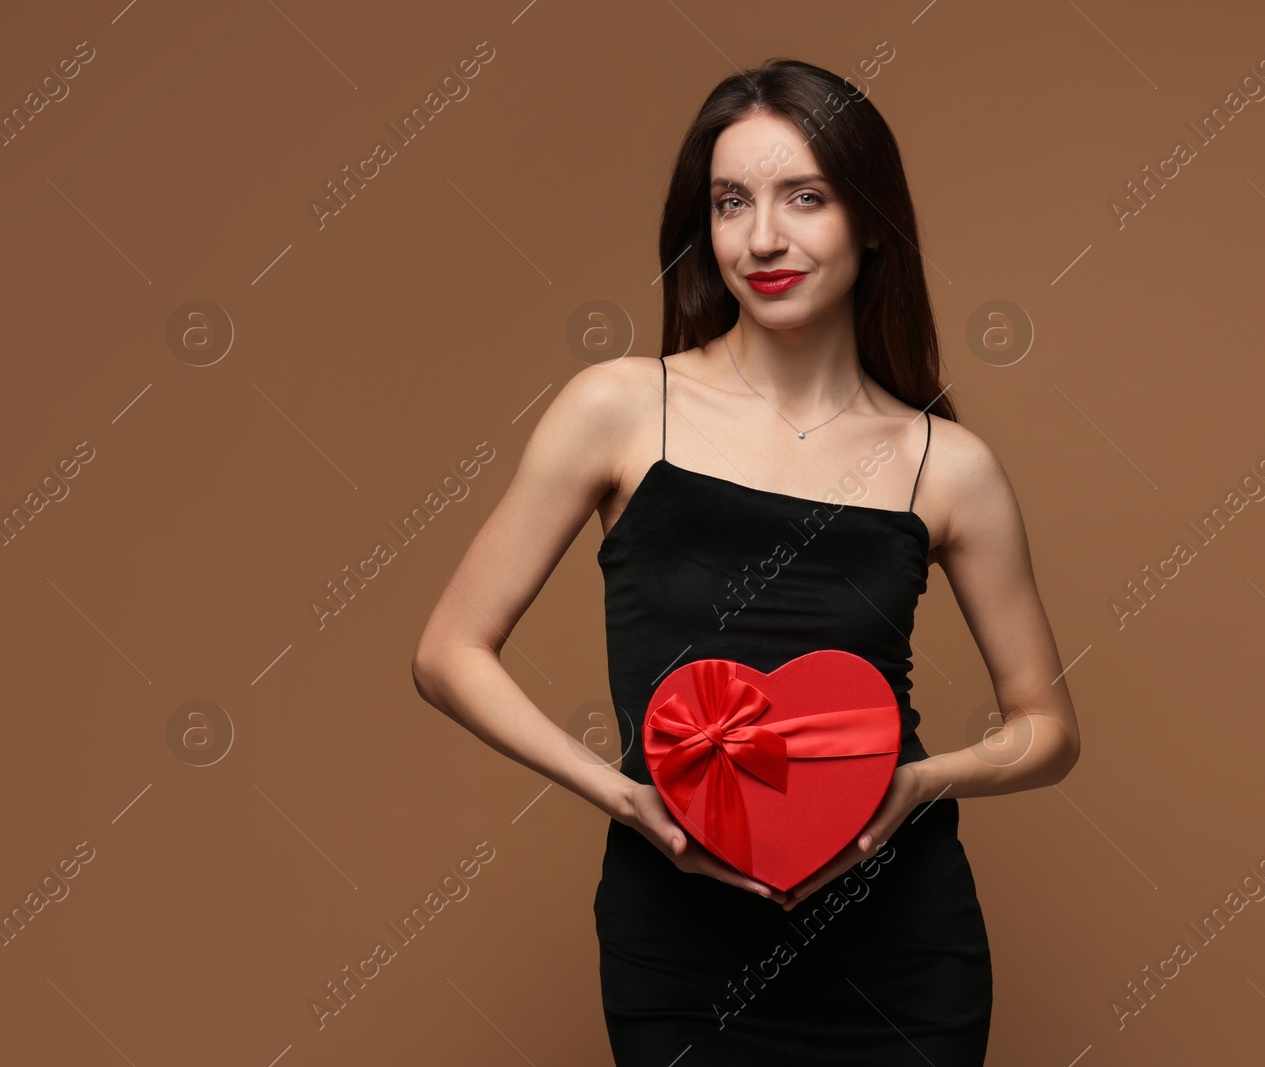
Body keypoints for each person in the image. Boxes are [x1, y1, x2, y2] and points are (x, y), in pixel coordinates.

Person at [411, 57, 1080, 1066]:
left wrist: (917, 781)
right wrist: (619, 793)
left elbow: (1047, 727)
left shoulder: (945, 464)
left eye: (803, 198)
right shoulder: (619, 408)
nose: (762, 237)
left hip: (900, 950)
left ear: (867, 220)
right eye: (732, 202)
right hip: (677, 945)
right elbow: (448, 651)